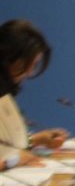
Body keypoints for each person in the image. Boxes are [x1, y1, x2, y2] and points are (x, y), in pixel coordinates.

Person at [0, 19, 68, 170]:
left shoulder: (5, 92)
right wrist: (13, 161)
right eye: (28, 64)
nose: (30, 72)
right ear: (9, 58)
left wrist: (36, 140)